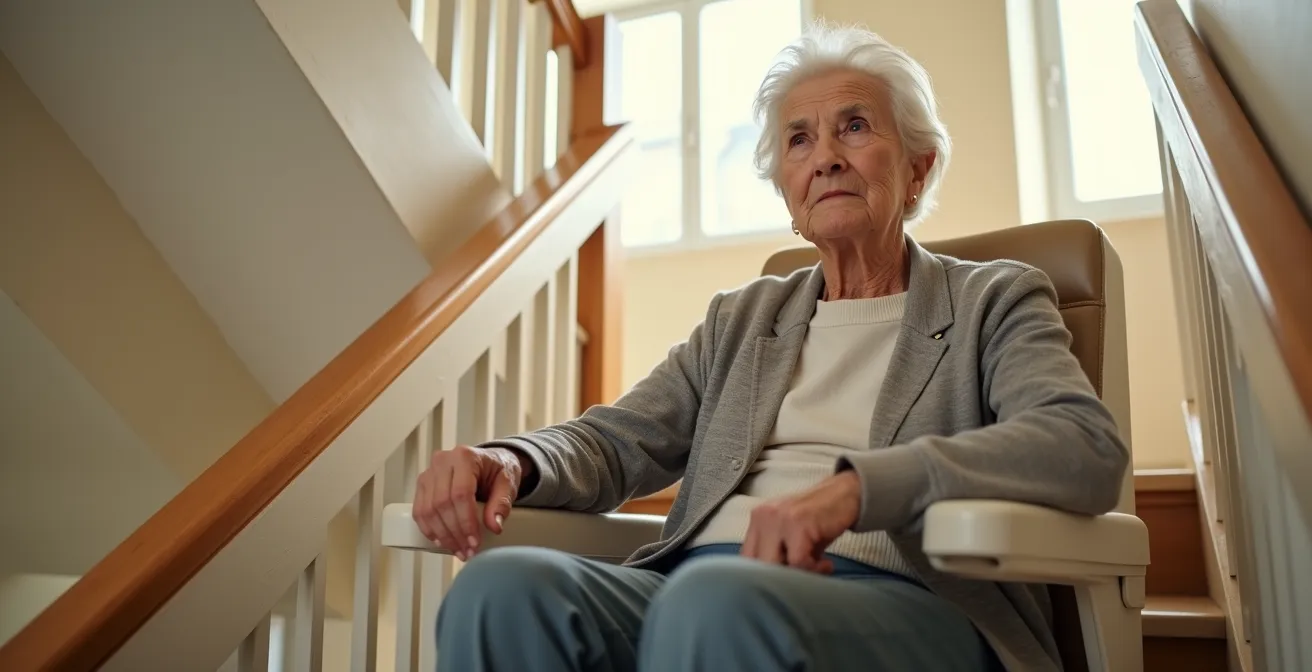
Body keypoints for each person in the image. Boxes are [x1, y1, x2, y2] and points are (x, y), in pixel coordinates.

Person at [411, 22, 1127, 672]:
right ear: (787, 188)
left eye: (854, 127)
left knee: (714, 602)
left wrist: (858, 490)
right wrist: (511, 459)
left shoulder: (991, 299)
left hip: (906, 600)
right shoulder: (742, 319)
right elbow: (614, 443)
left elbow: (1079, 444)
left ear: (917, 170)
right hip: (697, 585)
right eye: (799, 140)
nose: (825, 159)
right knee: (501, 590)